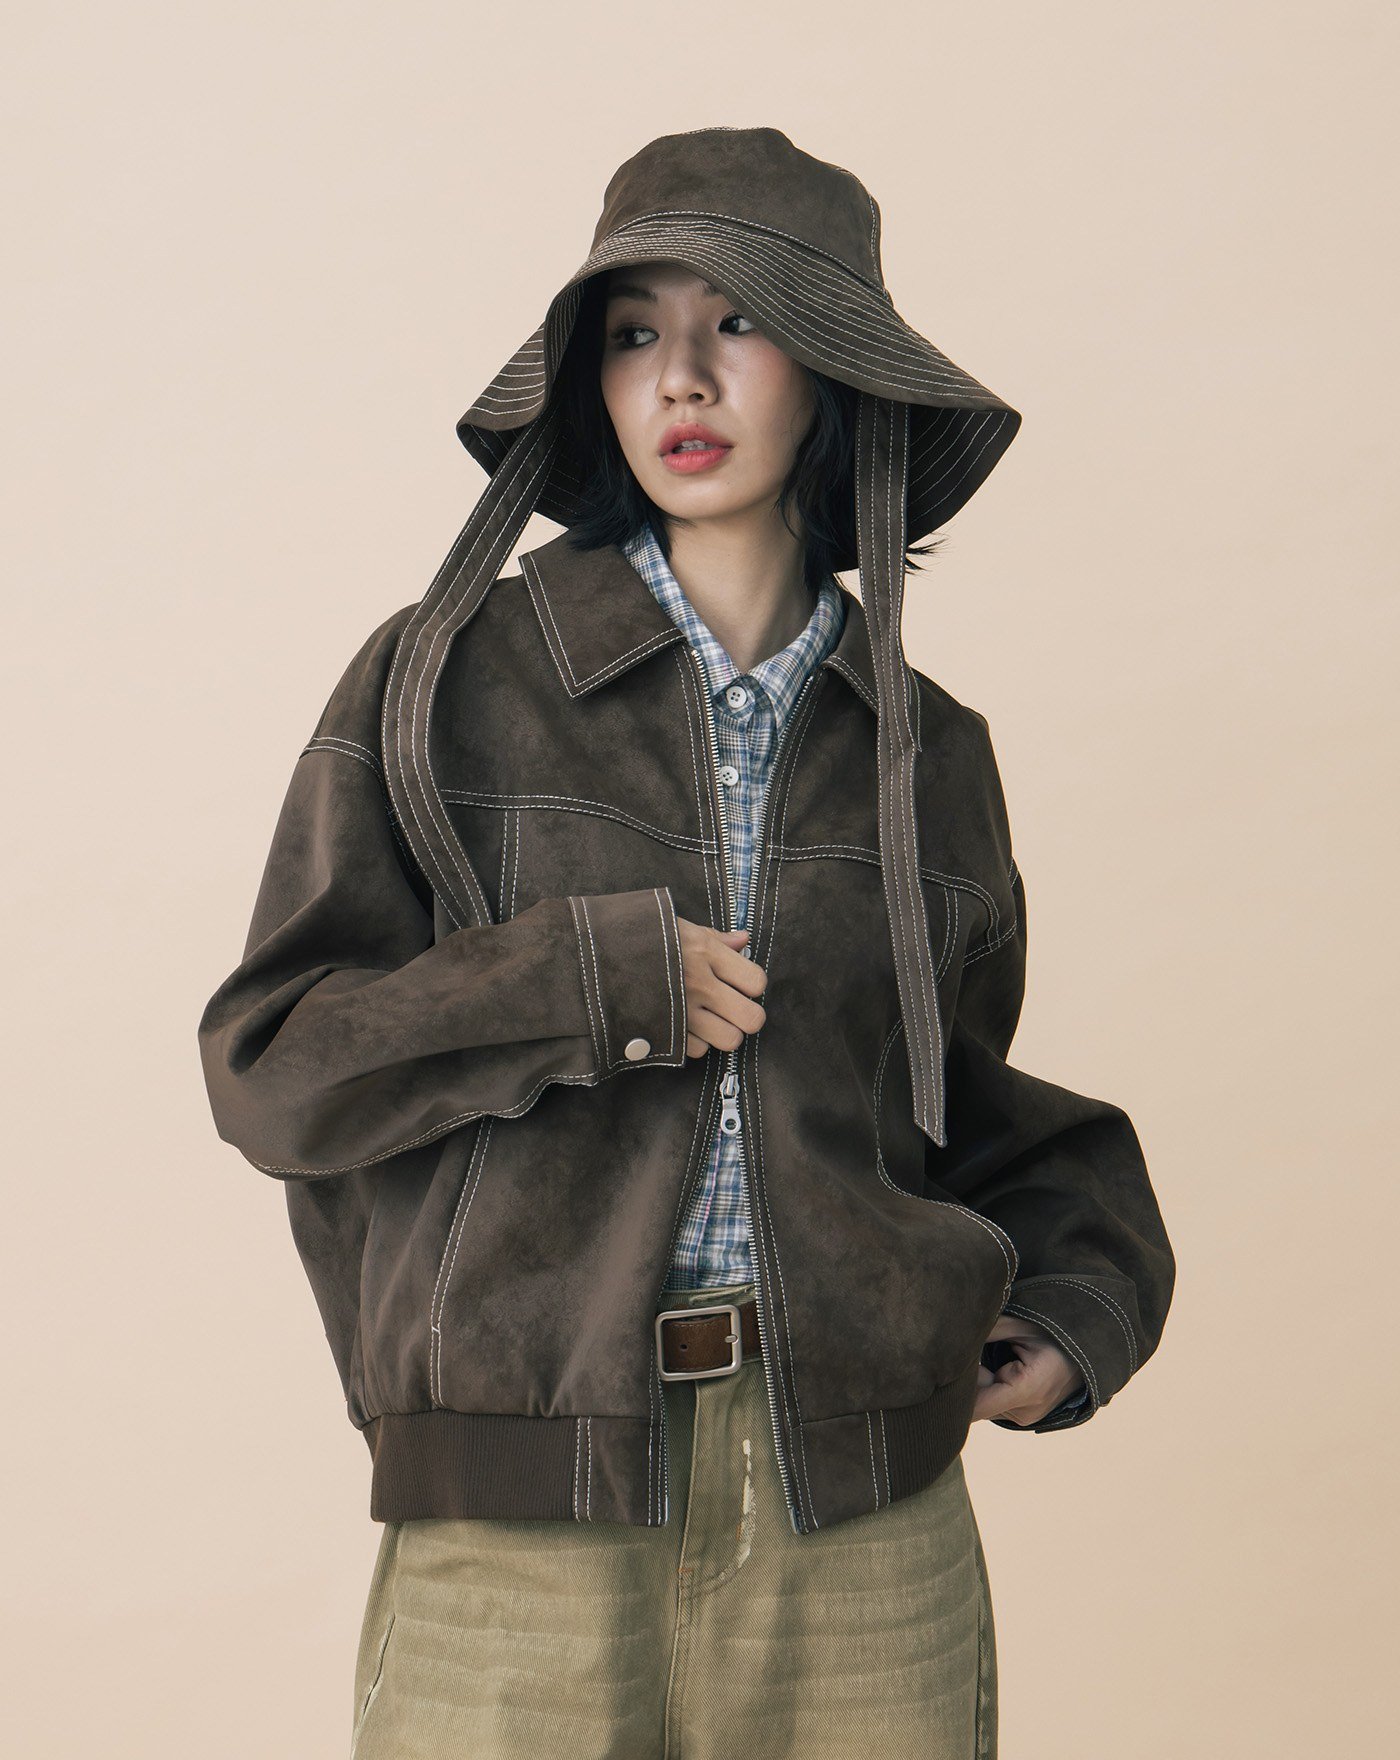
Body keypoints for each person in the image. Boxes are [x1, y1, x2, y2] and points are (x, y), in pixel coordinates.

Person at [197, 126, 1175, 1759]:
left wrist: (1079, 1301)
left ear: (835, 372)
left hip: (862, 1522)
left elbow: (959, 1104)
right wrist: (582, 988)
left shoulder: (930, 751)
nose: (683, 378)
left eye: (741, 324)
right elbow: (275, 1075)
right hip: (521, 1513)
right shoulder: (442, 682)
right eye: (636, 331)